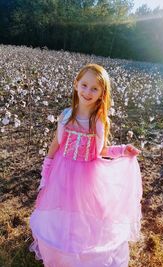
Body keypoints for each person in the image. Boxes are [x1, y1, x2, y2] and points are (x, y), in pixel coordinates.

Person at [29, 63, 143, 267]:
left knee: (86, 212)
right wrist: (47, 167)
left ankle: (83, 252)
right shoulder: (65, 115)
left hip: (88, 174)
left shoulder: (99, 120)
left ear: (102, 93)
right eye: (84, 85)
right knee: (62, 207)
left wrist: (123, 149)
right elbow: (57, 142)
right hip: (62, 171)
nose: (87, 92)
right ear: (76, 85)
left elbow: (102, 150)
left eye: (94, 88)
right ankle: (61, 248)